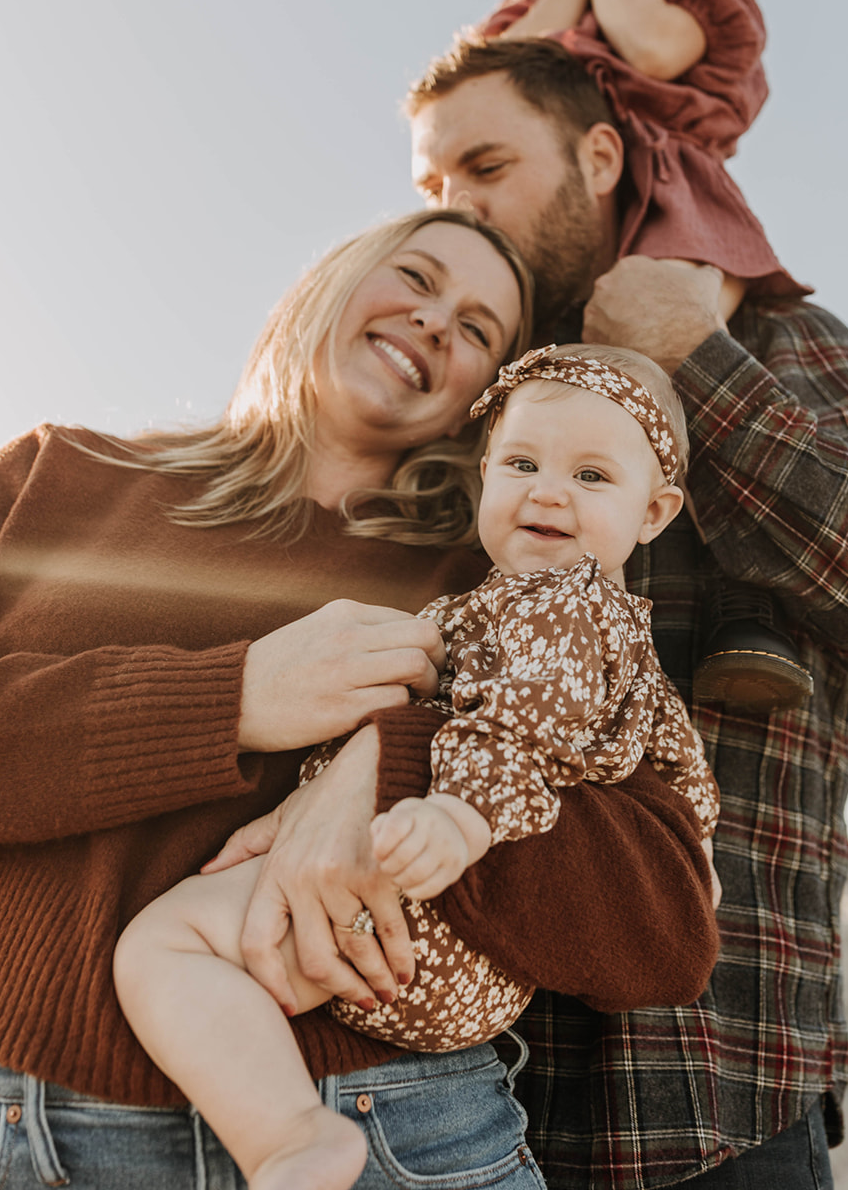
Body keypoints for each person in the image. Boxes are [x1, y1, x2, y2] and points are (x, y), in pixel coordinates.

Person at [0, 206, 721, 1190]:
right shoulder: (56, 477)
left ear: (488, 404)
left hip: (393, 1133)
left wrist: (383, 765)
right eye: (416, 277)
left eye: (478, 329)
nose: (438, 322)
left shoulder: (510, 580)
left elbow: (663, 929)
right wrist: (225, 701)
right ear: (330, 283)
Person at [404, 38, 848, 1187]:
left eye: (483, 166)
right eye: (431, 188)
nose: (456, 209)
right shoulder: (474, 402)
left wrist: (692, 360)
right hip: (448, 1091)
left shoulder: (768, 340)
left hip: (719, 1086)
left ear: (599, 155)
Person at [113, 342, 719, 1190]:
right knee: (225, 962)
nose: (547, 491)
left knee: (164, 947)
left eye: (590, 477)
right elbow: (683, 773)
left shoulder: (568, 607)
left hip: (419, 911)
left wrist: (457, 814)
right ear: (485, 476)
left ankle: (289, 1138)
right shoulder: (530, 611)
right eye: (522, 462)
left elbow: (524, 724)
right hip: (446, 962)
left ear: (652, 513)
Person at [479, 0, 814, 710]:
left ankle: (751, 608)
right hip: (587, 229)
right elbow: (506, 77)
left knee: (687, 381)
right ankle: (574, 604)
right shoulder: (540, 4)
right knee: (601, 418)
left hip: (678, 211)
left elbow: (663, 49)